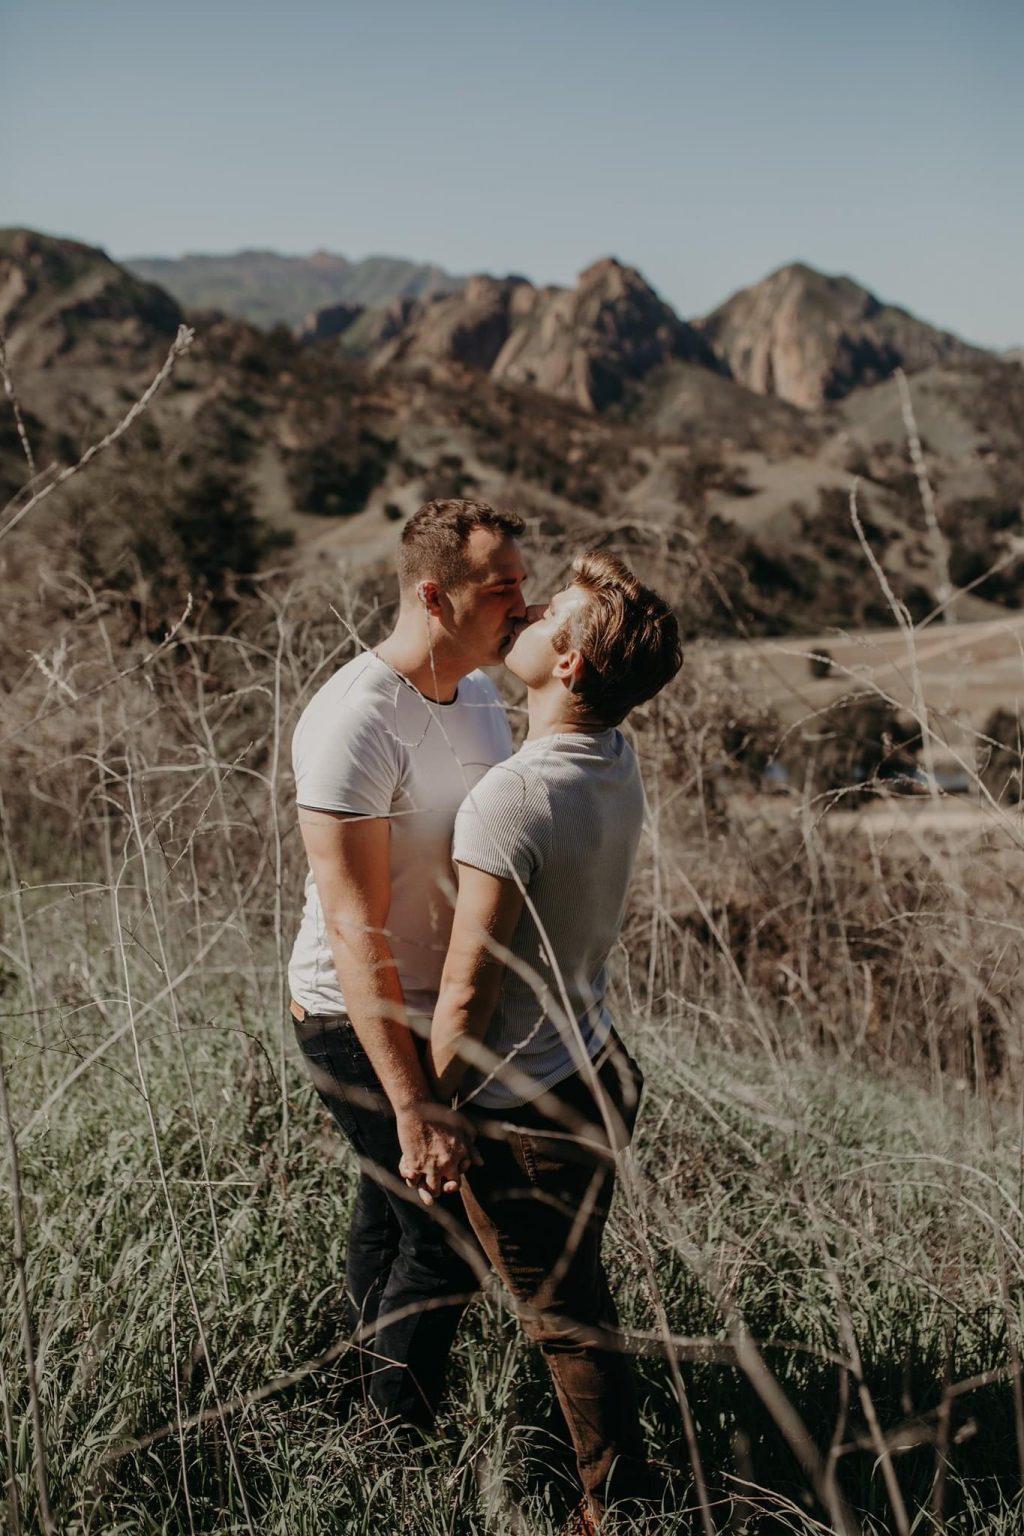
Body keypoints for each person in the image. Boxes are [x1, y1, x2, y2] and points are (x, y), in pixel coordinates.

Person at [427, 551, 682, 1529]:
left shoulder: (512, 801)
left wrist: (426, 1107)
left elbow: (464, 994)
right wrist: (603, 592)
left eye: (547, 614)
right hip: (595, 1066)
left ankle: (612, 1507)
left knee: (569, 1323)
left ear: (567, 664)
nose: (524, 612)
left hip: (525, 1103)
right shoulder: (612, 759)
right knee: (579, 1297)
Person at [288, 498, 529, 1430]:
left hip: (446, 1015)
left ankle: (346, 1412)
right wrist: (412, 1103)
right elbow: (356, 930)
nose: (524, 601)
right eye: (501, 587)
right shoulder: (355, 719)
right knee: (450, 1233)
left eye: (522, 580)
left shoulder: (476, 693)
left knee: (390, 1220)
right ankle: (395, 1449)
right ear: (435, 594)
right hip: (353, 1016)